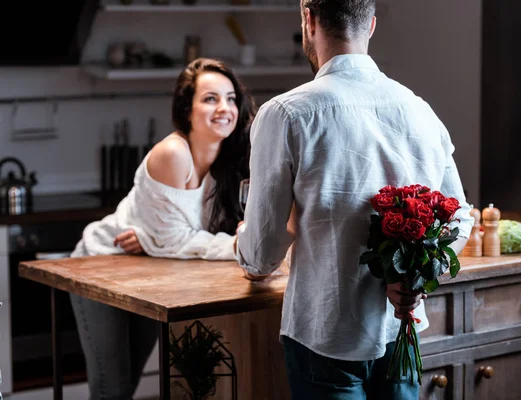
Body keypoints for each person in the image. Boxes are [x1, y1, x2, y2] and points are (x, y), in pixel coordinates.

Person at [234, 0, 475, 399]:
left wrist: (244, 244)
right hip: (401, 328)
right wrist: (414, 276)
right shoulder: (419, 110)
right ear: (372, 25)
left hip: (326, 332)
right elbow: (459, 217)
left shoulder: (286, 114)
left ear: (308, 20)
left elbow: (261, 255)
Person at [69, 57, 256, 400]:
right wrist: (233, 246)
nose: (225, 108)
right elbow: (175, 238)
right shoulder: (174, 153)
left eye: (230, 98)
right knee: (112, 389)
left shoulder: (229, 160)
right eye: (210, 98)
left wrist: (157, 243)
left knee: (130, 384)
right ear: (187, 109)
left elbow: (176, 239)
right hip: (102, 262)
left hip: (150, 270)